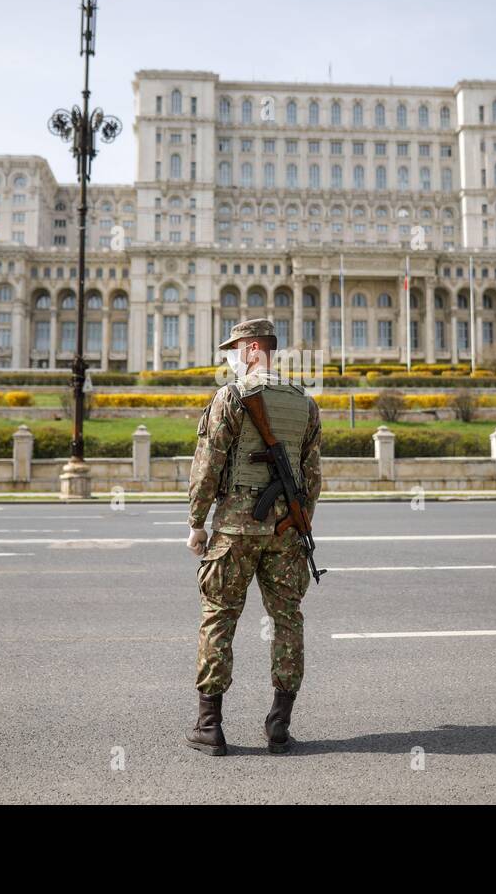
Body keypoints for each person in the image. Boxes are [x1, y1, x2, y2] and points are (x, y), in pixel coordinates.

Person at [184, 318, 323, 755]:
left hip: (234, 530)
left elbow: (207, 465)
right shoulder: (305, 403)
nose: (229, 355)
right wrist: (302, 519)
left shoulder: (230, 396)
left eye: (233, 348)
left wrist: (196, 522)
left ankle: (210, 727)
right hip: (286, 531)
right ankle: (279, 725)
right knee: (288, 621)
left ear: (252, 349)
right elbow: (313, 475)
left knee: (219, 618)